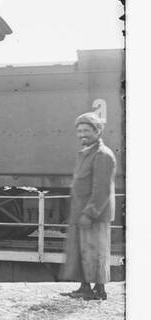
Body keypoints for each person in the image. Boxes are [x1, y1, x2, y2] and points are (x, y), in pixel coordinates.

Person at [62, 112, 117, 301]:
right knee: (83, 251)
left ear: (97, 131)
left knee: (97, 250)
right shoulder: (86, 153)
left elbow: (101, 190)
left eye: (86, 130)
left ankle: (100, 290)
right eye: (79, 131)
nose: (82, 134)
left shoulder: (103, 155)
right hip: (81, 211)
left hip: (94, 214)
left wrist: (90, 213)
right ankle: (85, 288)